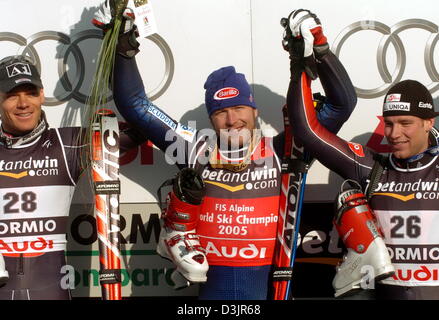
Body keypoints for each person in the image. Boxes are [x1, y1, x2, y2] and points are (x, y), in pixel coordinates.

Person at [93, 3, 358, 300]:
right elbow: (135, 104)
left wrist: (318, 48)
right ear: (210, 119)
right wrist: (121, 44)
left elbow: (341, 104)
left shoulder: (285, 150)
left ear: (254, 110)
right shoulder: (195, 150)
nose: (232, 120)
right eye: (221, 113)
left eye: (239, 108)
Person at [284, 9, 439, 299]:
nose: (394, 134)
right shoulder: (372, 167)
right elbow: (307, 130)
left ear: (429, 122)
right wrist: (303, 62)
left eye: (405, 124)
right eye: (389, 123)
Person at [0, 55, 144, 300]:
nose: (23, 103)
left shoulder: (67, 145)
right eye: (12, 95)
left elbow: (142, 127)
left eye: (31, 92)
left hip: (50, 290)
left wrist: (123, 56)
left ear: (42, 95)